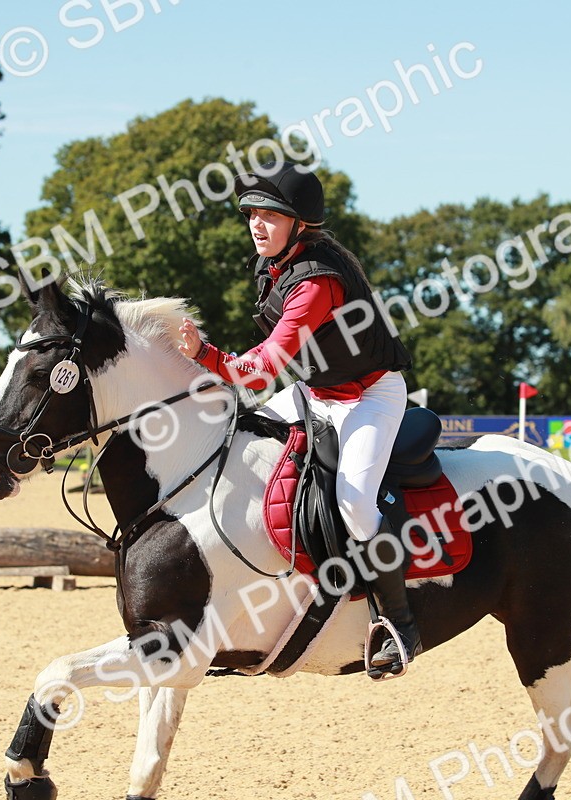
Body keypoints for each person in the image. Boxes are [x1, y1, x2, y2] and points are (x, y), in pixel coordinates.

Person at [177, 162, 421, 674]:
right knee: (241, 446)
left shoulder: (314, 282)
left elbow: (265, 365)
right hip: (316, 392)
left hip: (370, 396)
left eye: (271, 215)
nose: (257, 224)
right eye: (251, 214)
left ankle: (400, 623)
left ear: (299, 224)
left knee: (355, 503)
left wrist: (207, 354)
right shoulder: (280, 267)